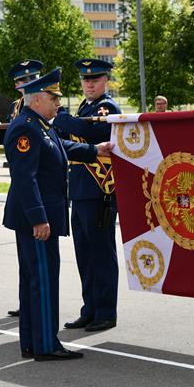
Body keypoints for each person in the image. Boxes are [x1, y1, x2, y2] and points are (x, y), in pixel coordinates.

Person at [2, 68, 113, 361]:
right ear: (38, 99)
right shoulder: (26, 127)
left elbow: (60, 147)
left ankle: (32, 342)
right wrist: (39, 219)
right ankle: (46, 345)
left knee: (34, 279)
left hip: (39, 217)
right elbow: (26, 178)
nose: (58, 105)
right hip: (36, 221)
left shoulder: (38, 124)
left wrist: (95, 149)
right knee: (42, 279)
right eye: (54, 98)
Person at [54, 59, 120, 332]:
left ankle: (105, 311)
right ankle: (89, 309)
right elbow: (67, 134)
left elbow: (92, 130)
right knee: (85, 254)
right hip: (80, 188)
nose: (89, 84)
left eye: (95, 79)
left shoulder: (107, 107)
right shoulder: (84, 108)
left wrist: (66, 121)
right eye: (85, 80)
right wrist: (68, 123)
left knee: (101, 253)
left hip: (99, 189)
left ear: (105, 81)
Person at [0, 59, 42, 318]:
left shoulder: (46, 103)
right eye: (23, 81)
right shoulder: (16, 107)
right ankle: (27, 301)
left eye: (32, 79)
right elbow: (12, 140)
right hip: (20, 184)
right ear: (17, 85)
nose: (27, 85)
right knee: (25, 255)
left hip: (38, 184)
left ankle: (38, 301)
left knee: (37, 254)